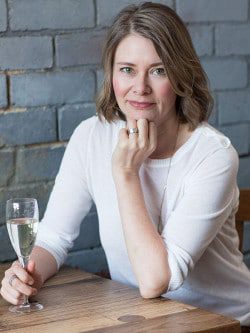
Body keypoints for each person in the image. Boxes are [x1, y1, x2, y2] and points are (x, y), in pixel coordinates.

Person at [1, 1, 250, 328]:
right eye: (127, 69)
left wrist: (126, 171)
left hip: (226, 325)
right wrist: (26, 275)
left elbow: (154, 281)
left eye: (158, 70)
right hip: (143, 322)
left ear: (179, 76)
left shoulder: (213, 155)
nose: (140, 87)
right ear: (112, 75)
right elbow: (53, 239)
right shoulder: (91, 137)